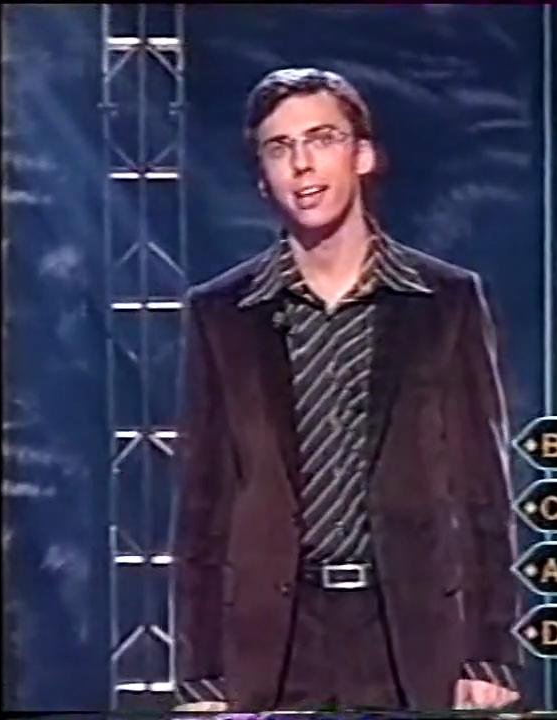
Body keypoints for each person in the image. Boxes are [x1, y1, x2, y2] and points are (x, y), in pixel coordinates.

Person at [170, 67, 522, 713]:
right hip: (275, 641)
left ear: (362, 156)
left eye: (322, 139)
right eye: (280, 148)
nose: (302, 164)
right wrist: (201, 673)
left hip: (410, 632)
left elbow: (482, 489)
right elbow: (202, 507)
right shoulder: (221, 314)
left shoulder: (445, 301)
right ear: (263, 178)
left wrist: (487, 652)